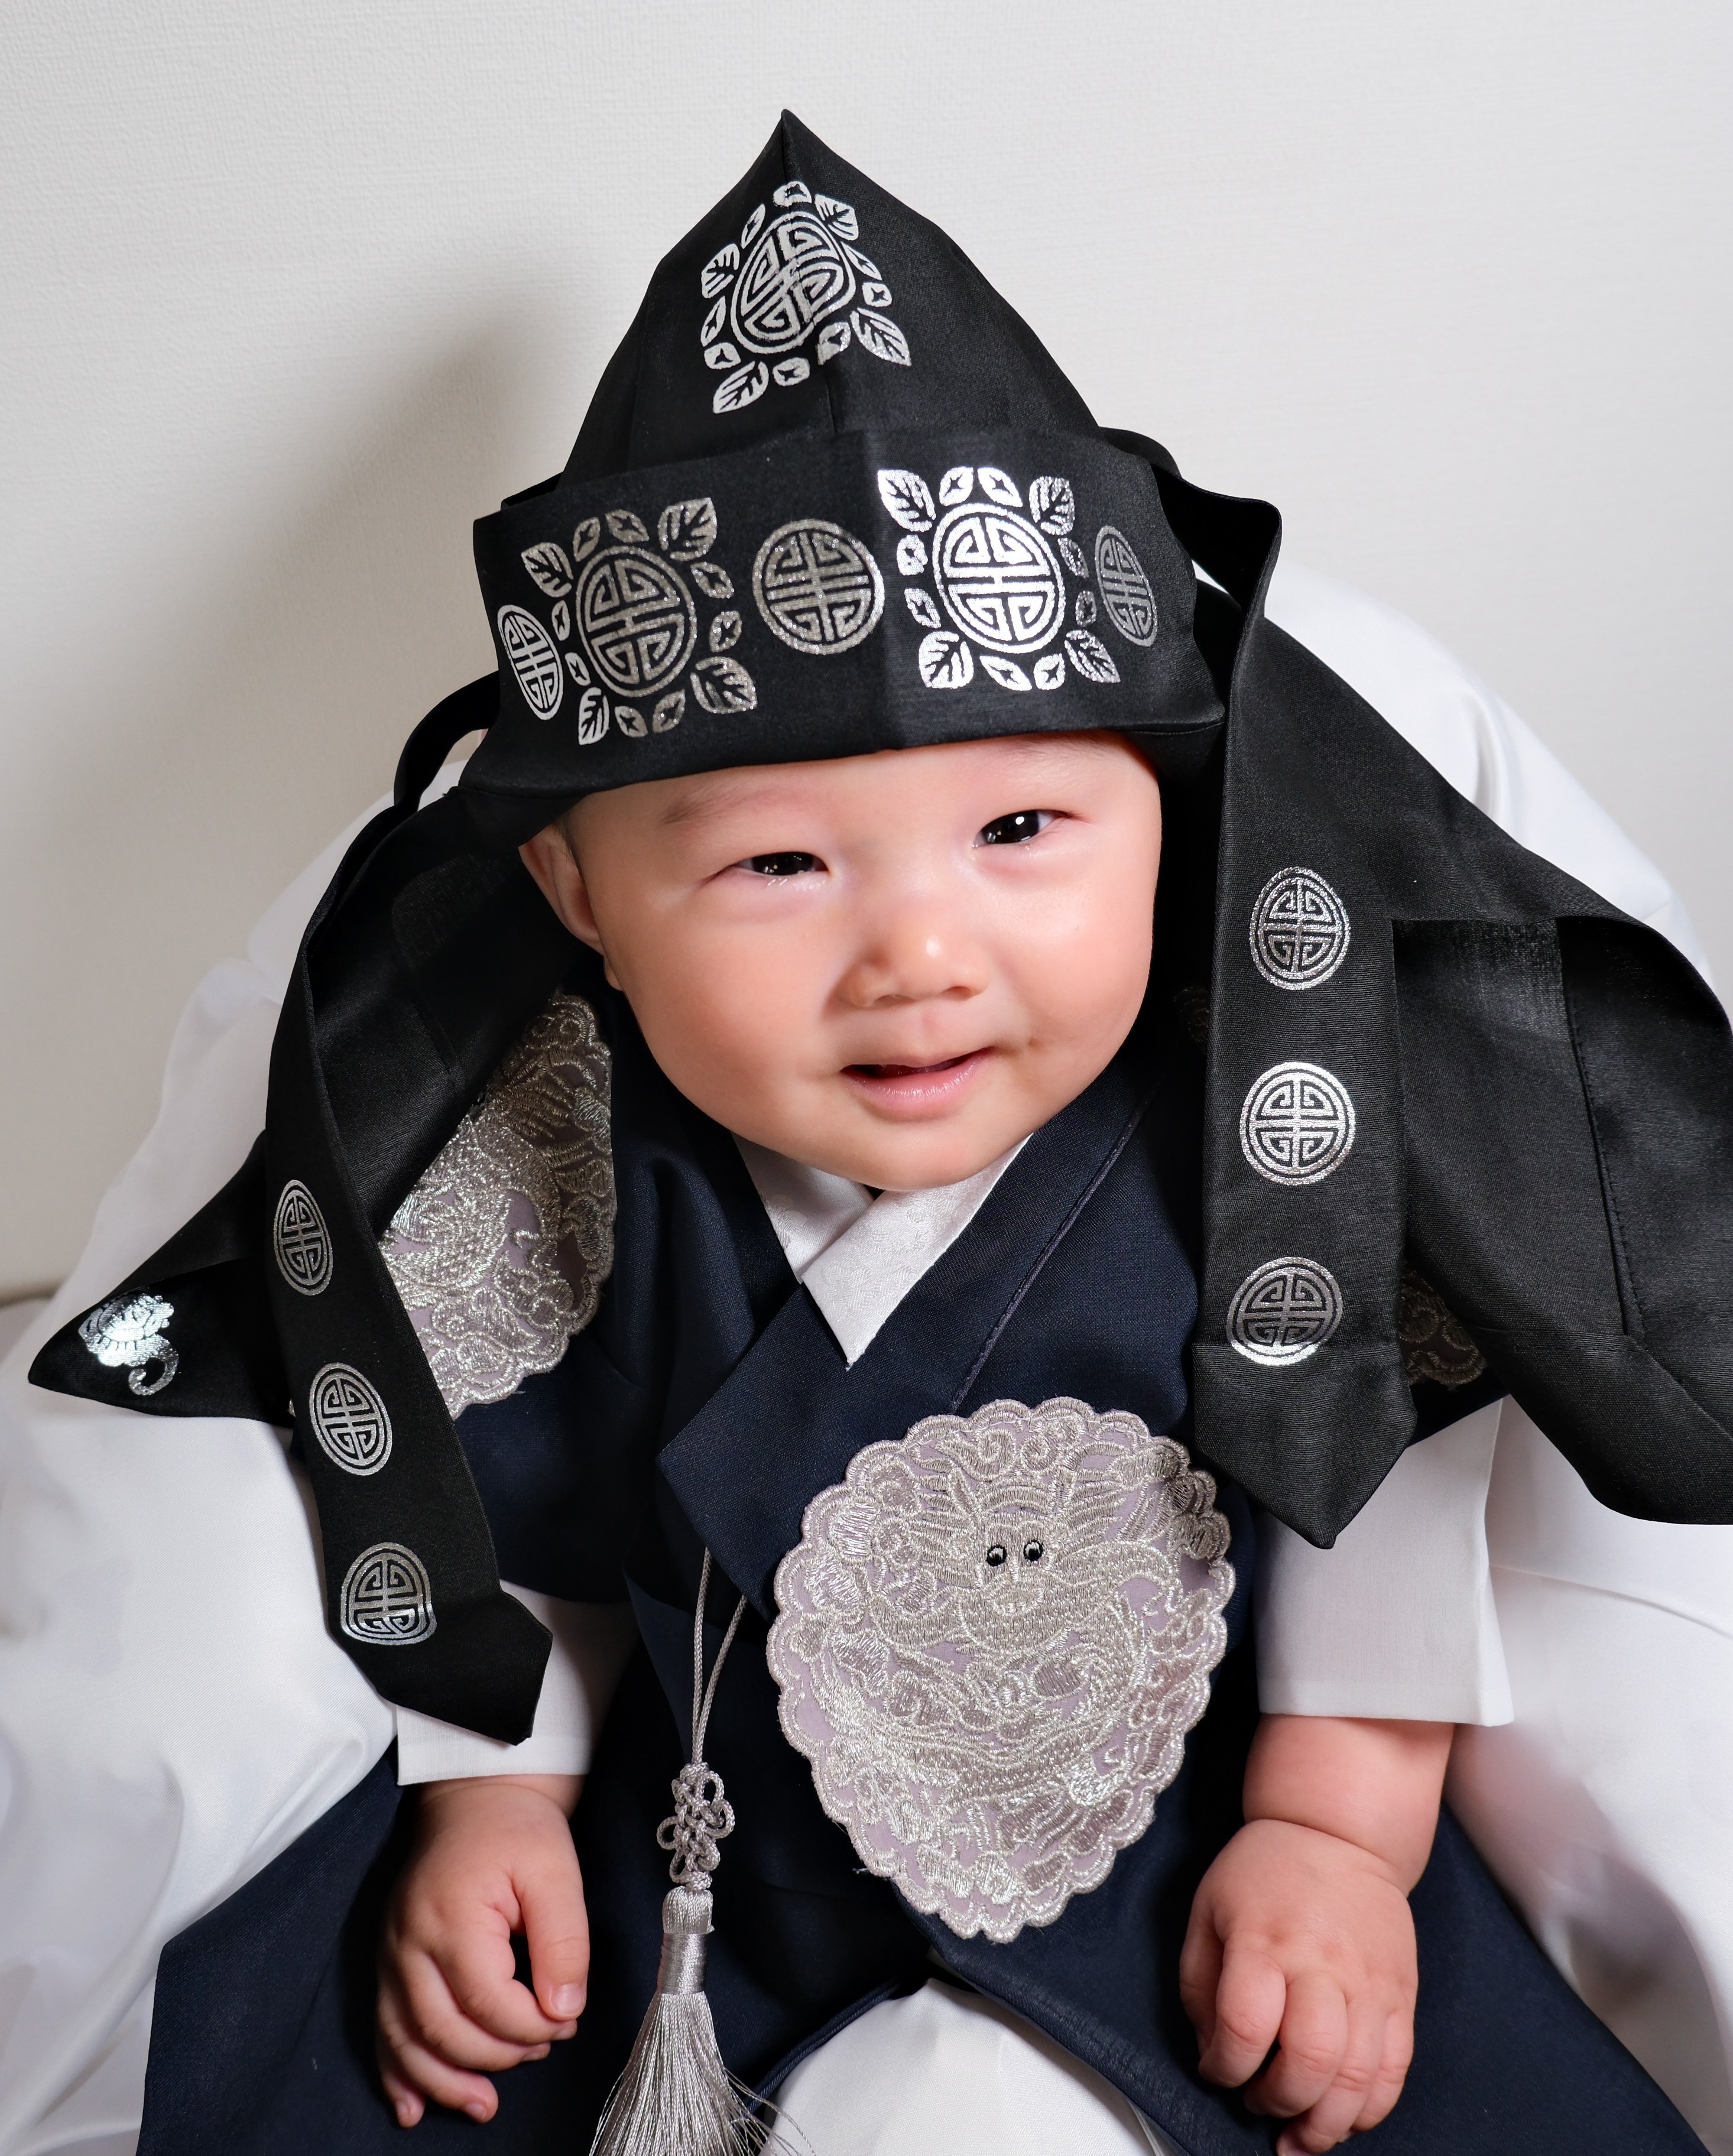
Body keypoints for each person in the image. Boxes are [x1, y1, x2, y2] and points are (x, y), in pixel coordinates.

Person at [22, 115, 1733, 2156]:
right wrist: (495, 1799)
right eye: (777, 865)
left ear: (1170, 825)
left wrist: (1336, 1840)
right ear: (580, 899)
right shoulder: (574, 1151)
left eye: (1021, 830)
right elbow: (523, 1520)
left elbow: (1372, 1521)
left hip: (1173, 1895)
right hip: (701, 1903)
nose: (917, 955)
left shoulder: (1265, 1133)